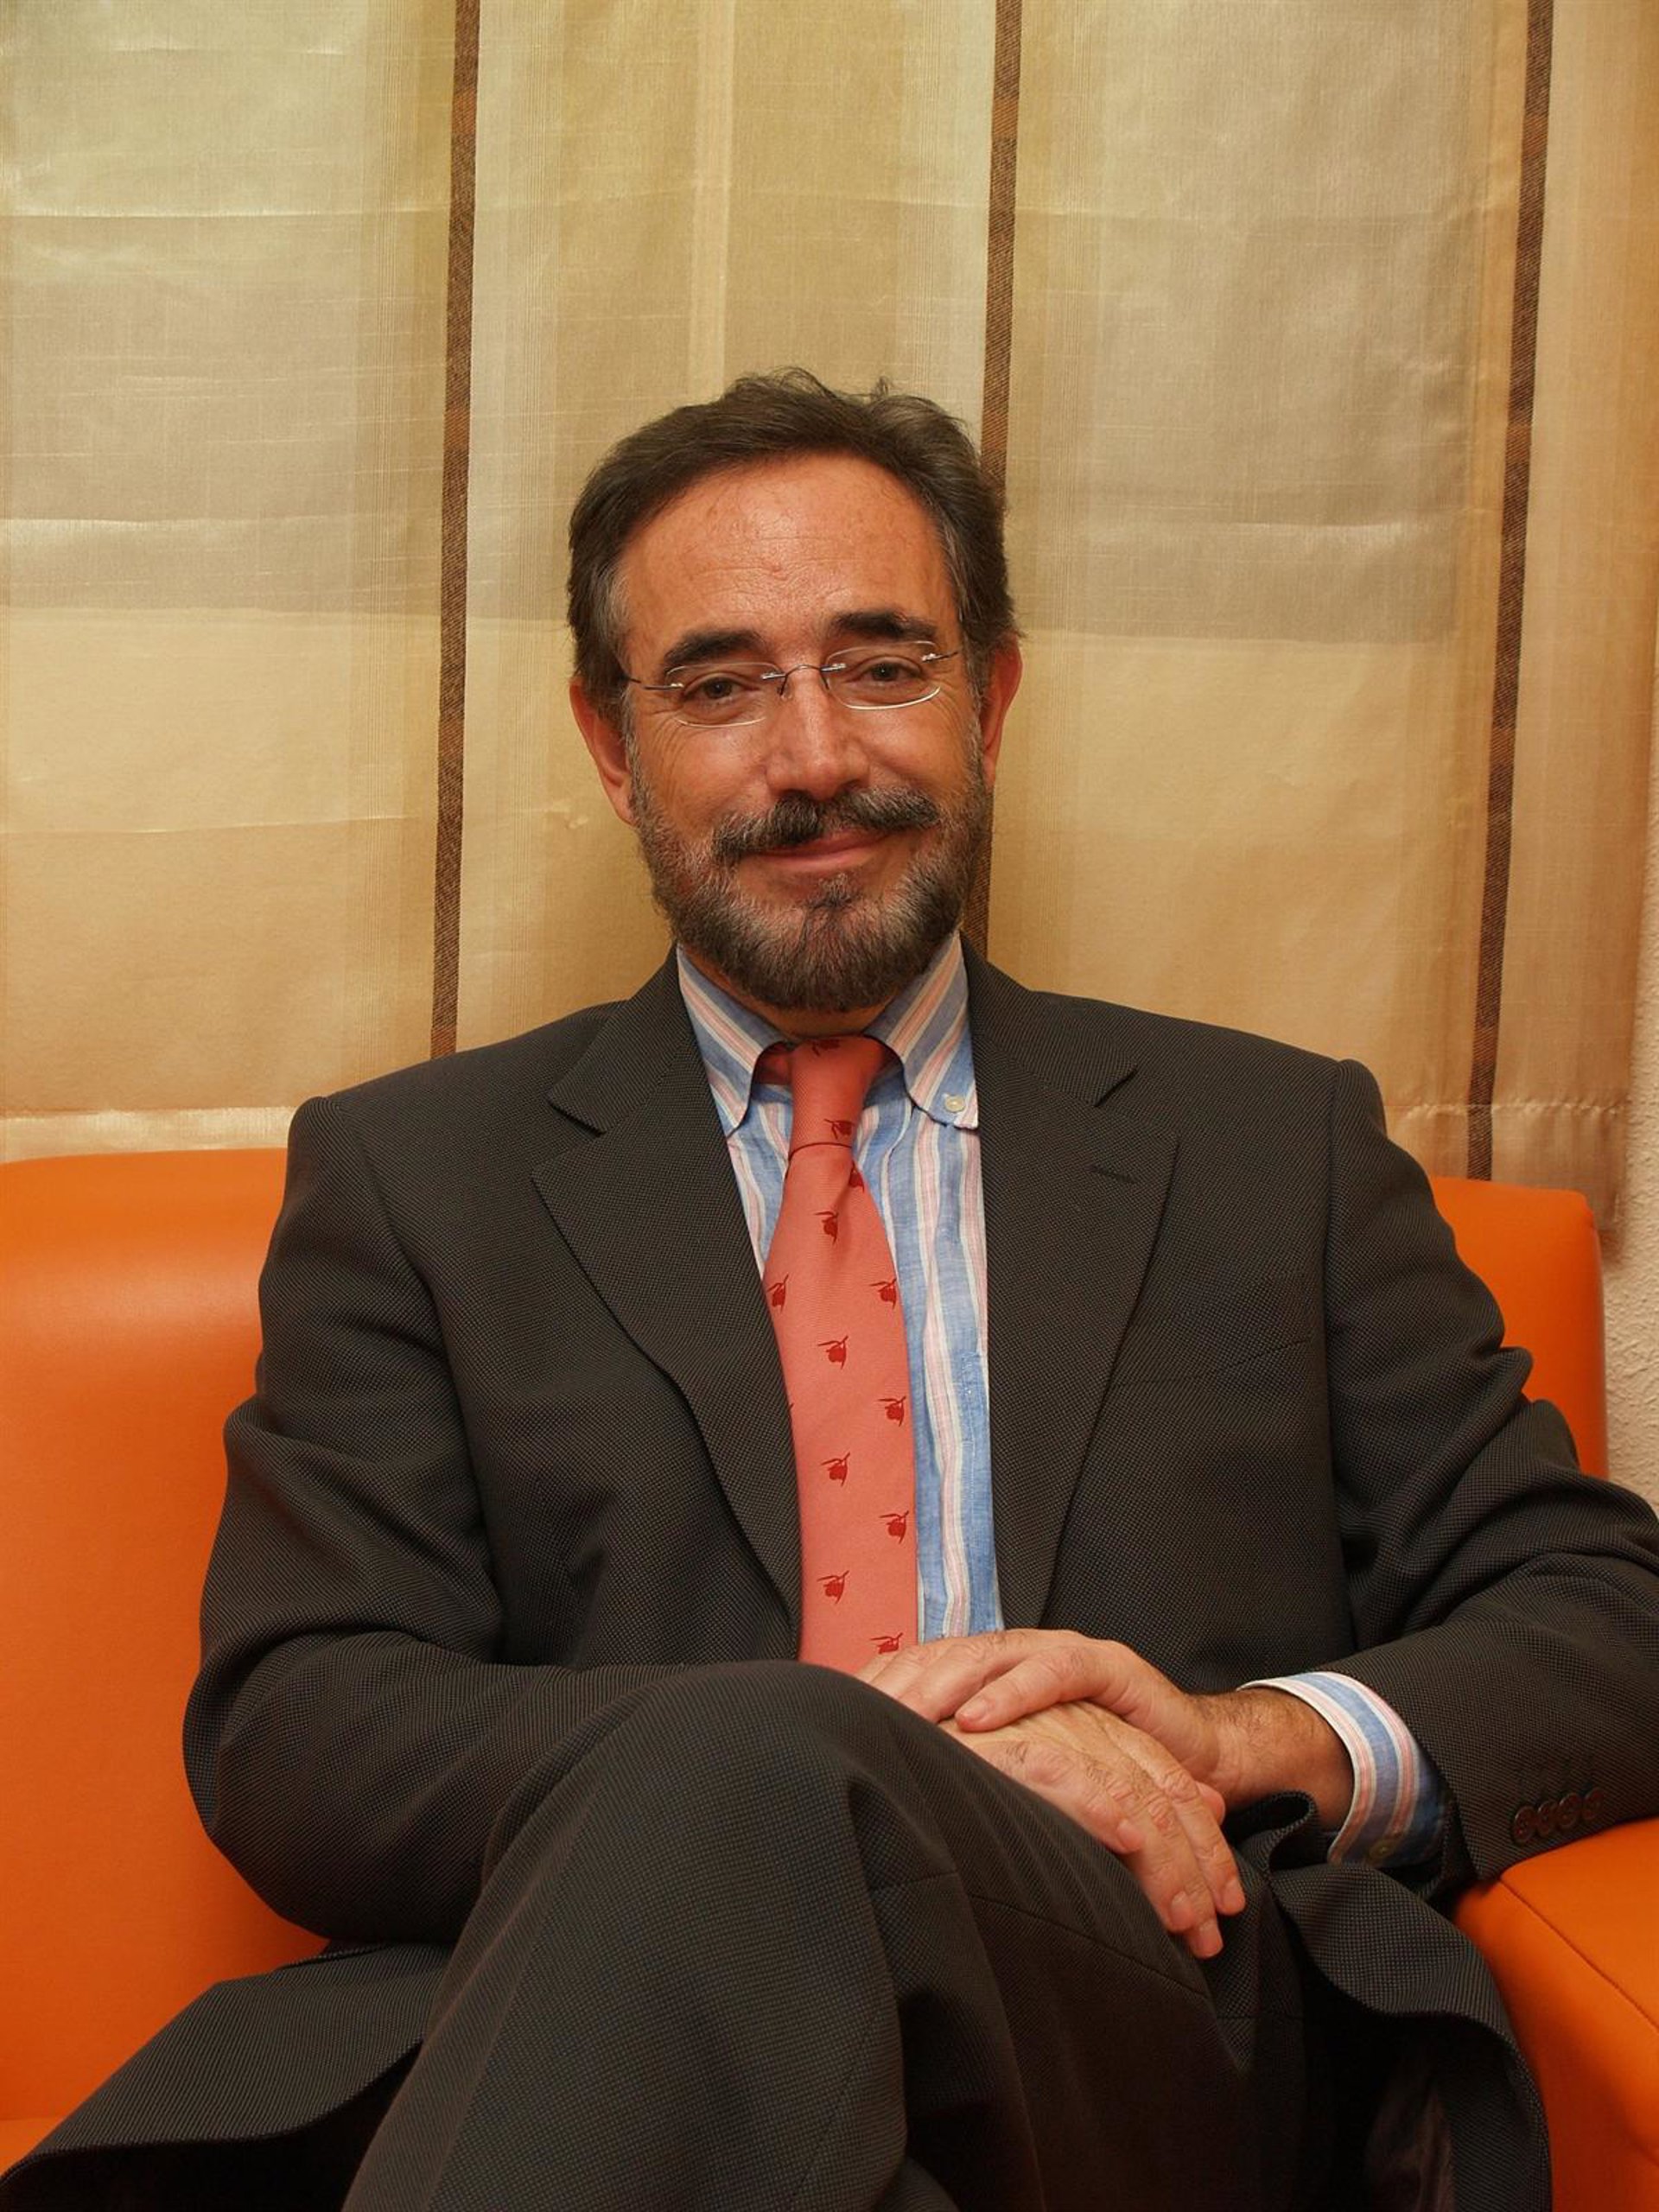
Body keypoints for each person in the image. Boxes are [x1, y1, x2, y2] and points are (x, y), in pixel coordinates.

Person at [6, 371, 1658, 2212]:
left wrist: (1232, 1738)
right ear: (612, 745)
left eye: (881, 665)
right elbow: (303, 1729)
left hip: (1142, 2022)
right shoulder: (418, 1180)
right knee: (771, 1819)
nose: (812, 758)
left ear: (990, 698)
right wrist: (839, 1763)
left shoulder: (1270, 1148)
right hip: (611, 2038)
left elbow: (1612, 1623)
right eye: (720, 686)